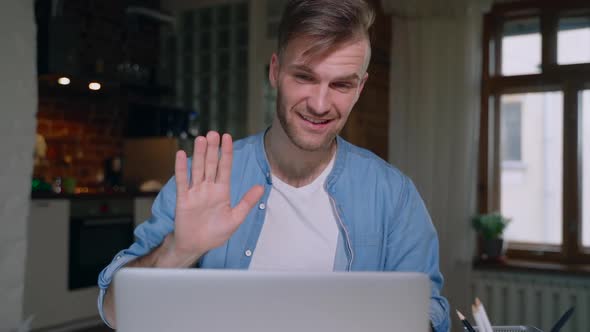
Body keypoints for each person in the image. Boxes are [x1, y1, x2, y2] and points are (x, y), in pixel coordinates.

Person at [97, 0, 450, 330]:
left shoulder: (394, 194)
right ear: (275, 71)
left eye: (341, 84)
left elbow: (430, 310)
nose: (320, 104)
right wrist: (179, 250)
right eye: (304, 77)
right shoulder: (200, 179)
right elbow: (116, 312)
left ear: (360, 88)